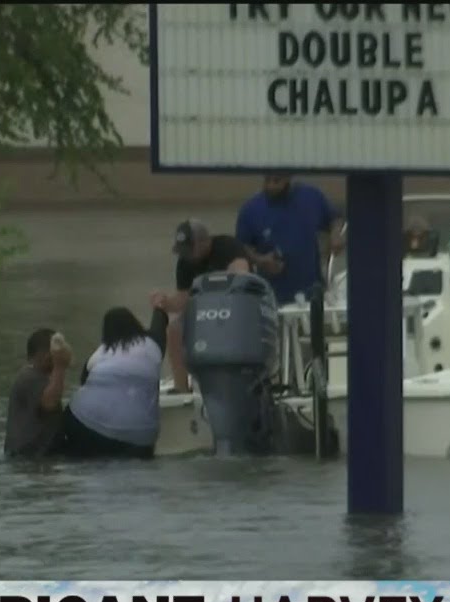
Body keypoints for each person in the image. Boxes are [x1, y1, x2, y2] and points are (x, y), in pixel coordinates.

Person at [151, 219, 252, 393]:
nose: (186, 255)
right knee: (174, 329)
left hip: (236, 307)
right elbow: (183, 298)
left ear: (204, 242)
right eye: (183, 250)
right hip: (204, 312)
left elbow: (241, 274)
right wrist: (166, 302)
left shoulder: (227, 247)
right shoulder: (185, 262)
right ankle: (181, 386)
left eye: (190, 249)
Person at [57, 306, 169, 459]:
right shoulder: (153, 344)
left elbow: (85, 384)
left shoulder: (98, 355)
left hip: (83, 423)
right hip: (137, 436)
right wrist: (159, 307)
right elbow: (160, 323)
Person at [235, 173, 341, 306]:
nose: (271, 186)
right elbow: (241, 248)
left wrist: (336, 235)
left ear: (288, 178)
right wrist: (260, 260)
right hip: (272, 296)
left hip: (311, 290)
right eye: (267, 180)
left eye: (276, 180)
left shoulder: (311, 197)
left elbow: (334, 218)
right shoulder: (250, 210)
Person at [4, 327, 71, 458]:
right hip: (30, 457)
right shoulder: (30, 377)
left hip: (32, 455)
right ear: (45, 354)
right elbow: (49, 403)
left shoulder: (36, 376)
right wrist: (60, 366)